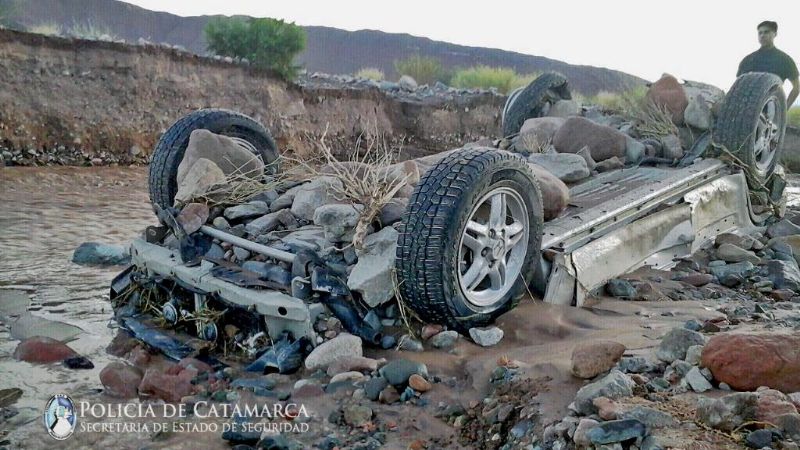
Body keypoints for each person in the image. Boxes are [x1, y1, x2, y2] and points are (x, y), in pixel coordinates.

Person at [737, 20, 799, 106]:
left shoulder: (785, 59)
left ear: (775, 34)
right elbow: (738, 85)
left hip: (771, 107)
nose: (762, 35)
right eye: (760, 33)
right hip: (747, 106)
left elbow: (796, 87)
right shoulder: (748, 60)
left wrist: (784, 108)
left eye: (766, 32)